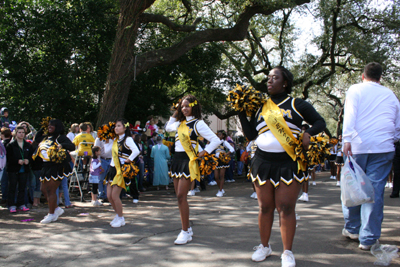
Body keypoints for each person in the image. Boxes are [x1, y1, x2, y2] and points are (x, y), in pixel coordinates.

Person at [239, 66, 325, 266]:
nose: (269, 81)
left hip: (288, 162)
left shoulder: (297, 104)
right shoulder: (260, 107)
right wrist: (241, 113)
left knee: (286, 207)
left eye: (274, 77)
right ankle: (264, 246)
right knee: (265, 207)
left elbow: (320, 122)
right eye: (268, 78)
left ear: (284, 82)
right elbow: (251, 136)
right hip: (262, 162)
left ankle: (287, 252)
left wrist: (308, 133)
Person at [342, 62, 400, 250]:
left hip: (357, 146)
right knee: (374, 192)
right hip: (383, 147)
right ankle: (368, 238)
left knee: (353, 188)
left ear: (363, 76)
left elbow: (350, 114)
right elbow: (397, 124)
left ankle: (353, 228)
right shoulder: (390, 95)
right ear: (380, 78)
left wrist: (346, 139)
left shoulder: (356, 89)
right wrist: (393, 138)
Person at [165, 94, 220, 245]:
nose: (184, 109)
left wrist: (205, 151)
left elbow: (215, 140)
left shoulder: (198, 123)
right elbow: (168, 127)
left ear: (194, 106)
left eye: (187, 106)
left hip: (188, 161)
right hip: (177, 160)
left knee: (182, 196)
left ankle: (184, 231)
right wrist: (176, 111)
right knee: (178, 197)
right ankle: (187, 228)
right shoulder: (179, 124)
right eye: (182, 106)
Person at [34, 119, 75, 224]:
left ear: (58, 126)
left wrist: (61, 146)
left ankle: (51, 214)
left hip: (56, 166)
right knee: (43, 189)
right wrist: (42, 128)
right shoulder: (46, 137)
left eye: (52, 125)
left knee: (50, 190)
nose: (50, 127)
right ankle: (56, 208)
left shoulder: (60, 137)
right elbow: (37, 138)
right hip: (45, 166)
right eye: (48, 125)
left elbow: (72, 146)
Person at [105, 119, 139, 228]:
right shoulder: (114, 140)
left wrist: (129, 159)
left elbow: (136, 151)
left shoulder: (128, 139)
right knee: (109, 196)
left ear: (125, 128)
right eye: (115, 126)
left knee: (115, 196)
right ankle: (118, 215)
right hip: (112, 168)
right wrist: (106, 141)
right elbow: (106, 152)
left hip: (121, 170)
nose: (116, 128)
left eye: (119, 126)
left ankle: (120, 217)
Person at [6, 126, 34, 212]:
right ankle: (11, 205)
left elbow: (31, 156)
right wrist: (17, 161)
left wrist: (28, 160)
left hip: (24, 169)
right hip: (13, 170)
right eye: (19, 132)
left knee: (22, 187)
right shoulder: (10, 145)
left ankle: (21, 204)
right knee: (12, 187)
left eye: (23, 132)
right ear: (16, 133)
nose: (21, 134)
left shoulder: (28, 145)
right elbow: (8, 158)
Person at [214, 130, 235, 197]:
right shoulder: (214, 142)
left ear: (223, 135)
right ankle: (220, 188)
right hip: (216, 160)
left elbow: (232, 149)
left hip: (222, 160)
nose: (218, 135)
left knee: (221, 176)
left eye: (220, 134)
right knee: (216, 177)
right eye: (217, 134)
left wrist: (226, 154)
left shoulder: (224, 142)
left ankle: (220, 190)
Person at [94, 136, 113, 200]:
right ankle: (101, 195)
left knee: (108, 179)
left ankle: (107, 195)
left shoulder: (112, 138)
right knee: (101, 178)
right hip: (102, 160)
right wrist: (99, 162)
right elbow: (96, 151)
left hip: (111, 160)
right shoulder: (99, 139)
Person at [0, 127, 12, 205]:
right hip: (10, 165)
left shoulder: (2, 144)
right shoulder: (12, 143)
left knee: (4, 182)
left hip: (3, 165)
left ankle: (4, 198)